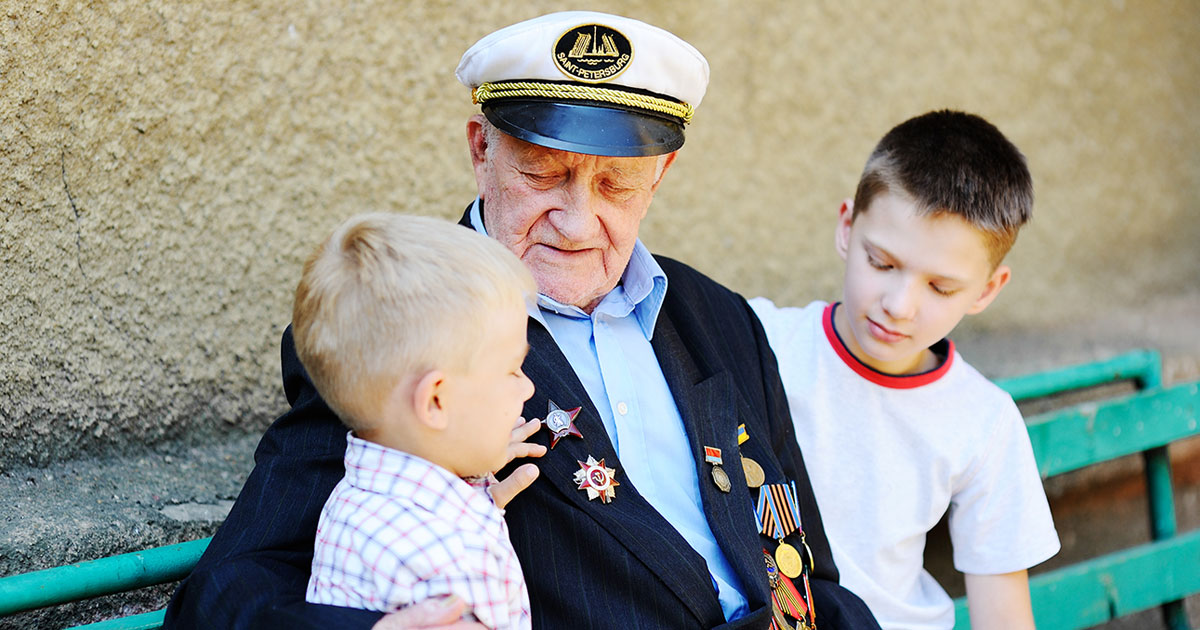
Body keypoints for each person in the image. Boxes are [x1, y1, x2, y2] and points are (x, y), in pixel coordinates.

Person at [165, 11, 880, 630]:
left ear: (659, 175)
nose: (576, 220)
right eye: (541, 173)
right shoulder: (400, 322)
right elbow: (229, 590)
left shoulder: (718, 317)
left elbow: (808, 567)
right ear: (482, 149)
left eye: (615, 183)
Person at [750, 110, 1060, 630]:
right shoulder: (759, 341)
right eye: (882, 263)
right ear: (847, 227)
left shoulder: (984, 420)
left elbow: (1003, 616)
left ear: (987, 289)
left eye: (941, 288)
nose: (899, 304)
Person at [291, 213, 538, 629]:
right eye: (513, 370)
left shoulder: (357, 503)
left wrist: (480, 498)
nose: (527, 388)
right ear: (437, 400)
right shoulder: (453, 564)